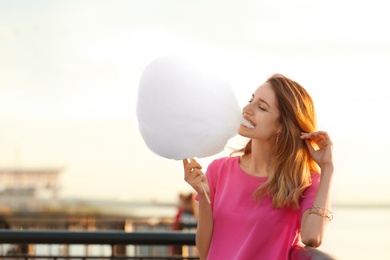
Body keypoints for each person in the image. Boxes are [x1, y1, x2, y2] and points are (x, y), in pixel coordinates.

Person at [183, 73, 334, 260]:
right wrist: (205, 199)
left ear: (281, 126)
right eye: (251, 100)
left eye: (262, 107)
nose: (246, 109)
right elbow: (206, 253)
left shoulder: (303, 181)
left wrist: (327, 168)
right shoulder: (218, 170)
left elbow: (313, 237)